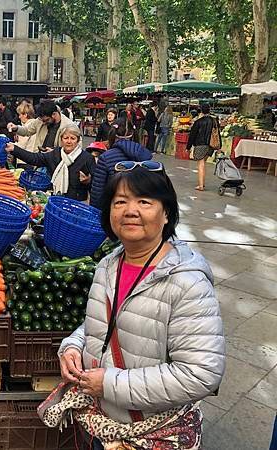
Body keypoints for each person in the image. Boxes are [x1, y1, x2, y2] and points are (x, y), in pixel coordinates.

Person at [57, 161, 225, 448]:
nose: (130, 210)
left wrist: (110, 385)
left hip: (152, 432)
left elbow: (201, 373)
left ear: (166, 212)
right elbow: (109, 321)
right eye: (120, 201)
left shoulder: (186, 281)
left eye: (144, 201)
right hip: (105, 425)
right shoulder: (109, 265)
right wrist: (72, 346)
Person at [5, 123, 95, 201]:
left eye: (73, 138)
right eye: (66, 138)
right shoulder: (55, 154)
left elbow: (96, 184)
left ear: (78, 140)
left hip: (77, 203)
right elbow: (34, 158)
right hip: (55, 200)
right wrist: (14, 149)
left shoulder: (87, 158)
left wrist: (88, 181)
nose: (69, 141)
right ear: (61, 140)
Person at [90, 119, 152, 209]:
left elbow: (97, 192)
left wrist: (95, 213)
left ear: (112, 134)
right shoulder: (146, 155)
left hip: (114, 209)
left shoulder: (105, 157)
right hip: (140, 209)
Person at [7, 101, 73, 151]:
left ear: (54, 114)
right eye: (42, 120)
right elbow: (27, 130)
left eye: (46, 120)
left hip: (57, 163)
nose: (43, 123)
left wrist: (54, 153)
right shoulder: (39, 121)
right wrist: (16, 128)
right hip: (41, 160)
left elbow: (73, 150)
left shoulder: (69, 126)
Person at [186, 104, 221, 191]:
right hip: (211, 145)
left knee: (201, 164)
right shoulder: (214, 121)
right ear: (209, 110)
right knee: (203, 163)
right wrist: (220, 146)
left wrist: (188, 147)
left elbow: (192, 135)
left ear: (201, 111)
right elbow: (217, 134)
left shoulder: (198, 122)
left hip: (200, 145)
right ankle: (202, 182)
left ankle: (201, 185)